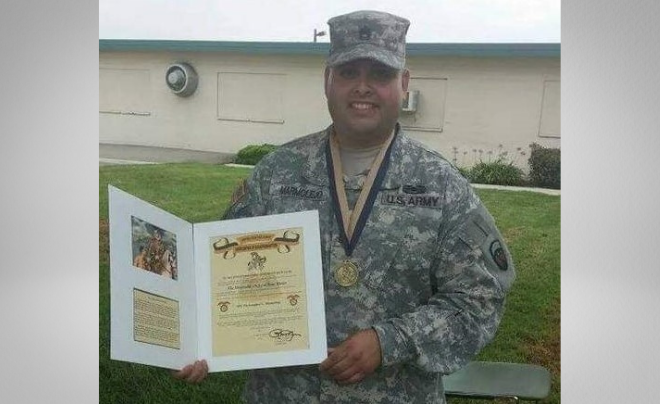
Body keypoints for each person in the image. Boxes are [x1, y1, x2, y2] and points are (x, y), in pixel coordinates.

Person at [173, 10, 515, 404]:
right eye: (349, 72)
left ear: (403, 84)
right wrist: (200, 341)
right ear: (327, 80)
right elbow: (220, 277)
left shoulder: (442, 187)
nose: (363, 87)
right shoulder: (276, 174)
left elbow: (479, 298)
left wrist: (390, 341)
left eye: (380, 75)